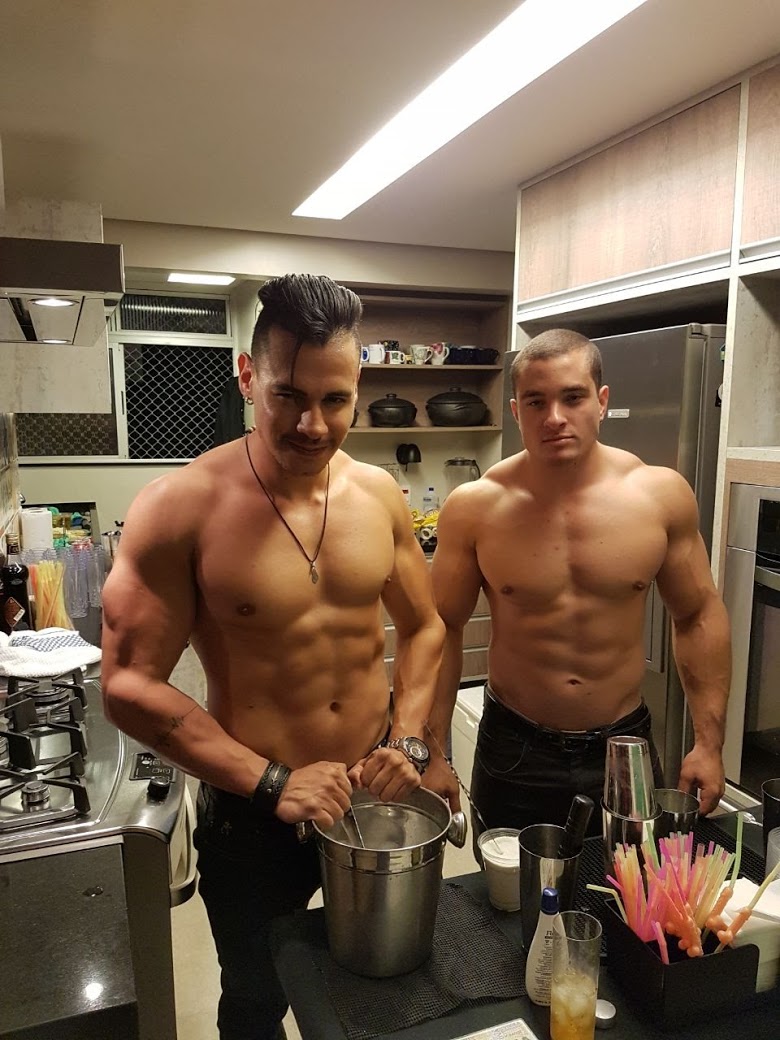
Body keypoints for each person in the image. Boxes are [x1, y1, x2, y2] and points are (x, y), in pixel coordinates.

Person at [101, 273, 444, 1040]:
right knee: (257, 1001)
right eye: (289, 395)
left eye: (335, 400)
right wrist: (274, 781)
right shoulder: (181, 506)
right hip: (254, 816)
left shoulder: (380, 496)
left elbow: (424, 627)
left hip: (369, 799)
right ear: (248, 375)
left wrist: (410, 739)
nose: (313, 425)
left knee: (384, 983)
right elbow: (126, 685)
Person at [424, 328, 731, 841]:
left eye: (573, 397)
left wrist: (709, 743)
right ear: (516, 410)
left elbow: (697, 615)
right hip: (515, 747)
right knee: (508, 888)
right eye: (535, 401)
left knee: (630, 884)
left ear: (601, 401)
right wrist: (433, 752)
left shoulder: (659, 496)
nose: (554, 417)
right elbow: (440, 630)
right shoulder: (475, 507)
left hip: (624, 745)